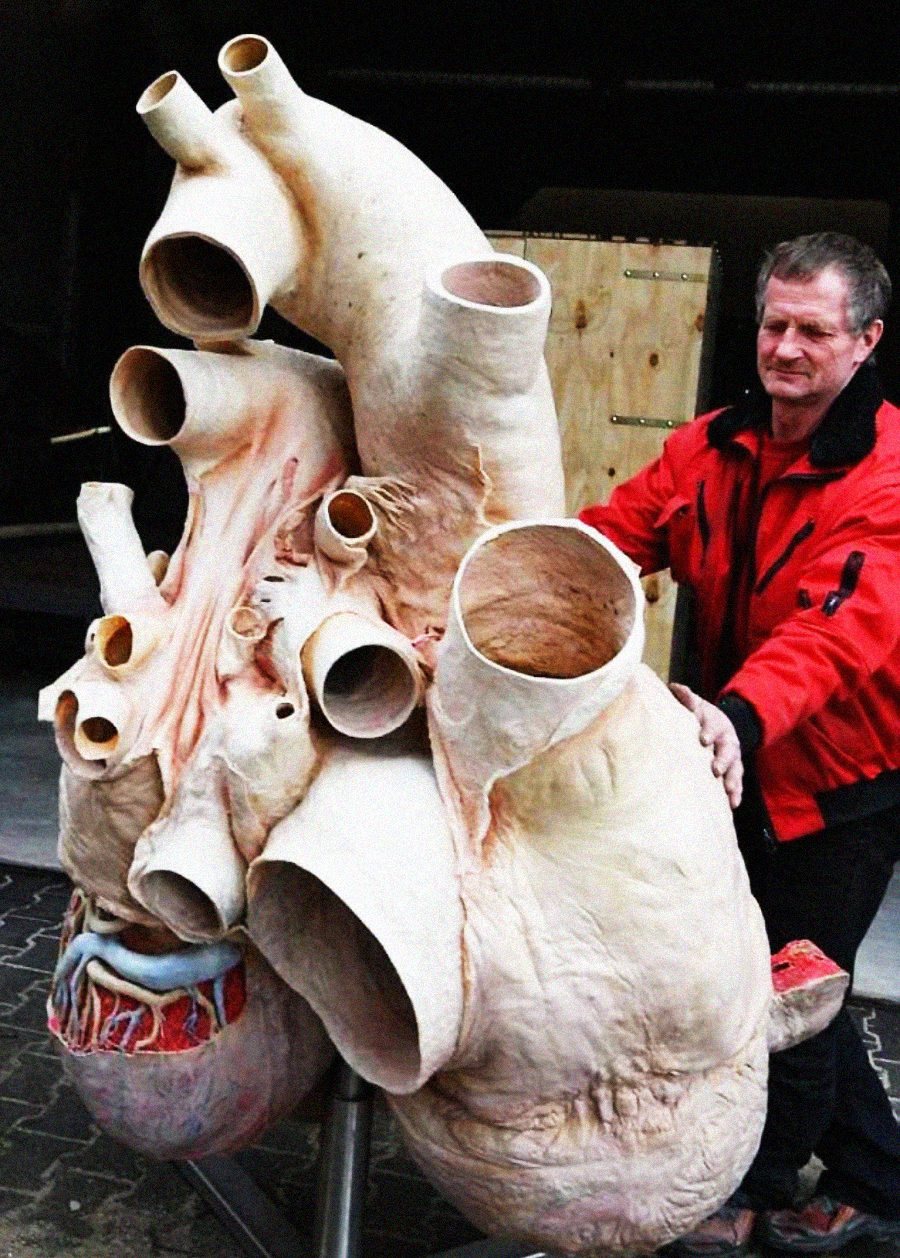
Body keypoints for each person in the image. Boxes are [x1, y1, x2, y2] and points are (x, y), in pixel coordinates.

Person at [579, 232, 900, 1256]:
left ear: (866, 340)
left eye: (814, 329)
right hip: (730, 758)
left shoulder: (889, 474)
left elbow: (831, 632)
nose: (787, 347)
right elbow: (612, 537)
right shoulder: (711, 445)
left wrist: (740, 715)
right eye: (774, 323)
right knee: (797, 976)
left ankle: (753, 1187)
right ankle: (879, 1177)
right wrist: (511, 589)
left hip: (834, 783)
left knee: (785, 985)